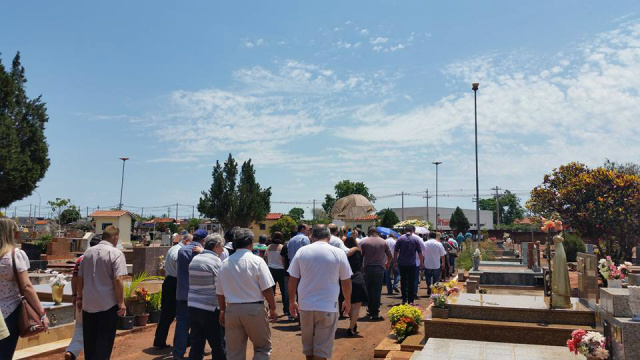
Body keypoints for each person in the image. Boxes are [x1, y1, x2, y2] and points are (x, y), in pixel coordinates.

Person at [288, 225, 352, 360]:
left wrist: (292, 301)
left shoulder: (302, 252)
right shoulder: (338, 252)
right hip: (328, 306)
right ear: (329, 237)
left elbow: (293, 280)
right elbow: (346, 280)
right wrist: (347, 300)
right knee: (321, 350)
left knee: (309, 349)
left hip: (305, 306)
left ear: (311, 237)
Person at [216, 228, 277, 360]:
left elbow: (219, 293)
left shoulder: (224, 263)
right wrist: (272, 307)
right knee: (262, 348)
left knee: (234, 353)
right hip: (254, 309)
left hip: (231, 310)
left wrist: (222, 311)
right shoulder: (257, 261)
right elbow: (267, 288)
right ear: (250, 242)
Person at [0, 218, 49, 359]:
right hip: (9, 312)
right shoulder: (14, 256)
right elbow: (27, 287)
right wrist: (42, 313)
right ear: (11, 234)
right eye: (17, 232)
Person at [77, 225, 127, 360]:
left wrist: (79, 298)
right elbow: (118, 280)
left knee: (90, 344)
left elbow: (79, 278)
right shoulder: (116, 253)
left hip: (88, 305)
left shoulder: (87, 253)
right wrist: (121, 303)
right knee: (104, 344)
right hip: (107, 305)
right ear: (115, 237)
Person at [188, 235, 226, 360]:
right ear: (216, 246)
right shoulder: (216, 262)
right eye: (222, 246)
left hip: (193, 306)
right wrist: (223, 309)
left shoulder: (195, 259)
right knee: (218, 345)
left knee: (197, 344)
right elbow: (220, 288)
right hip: (210, 309)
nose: (223, 249)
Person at [154, 233, 192, 349]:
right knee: (182, 313)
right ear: (186, 241)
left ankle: (160, 340)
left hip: (169, 281)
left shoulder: (173, 249)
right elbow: (180, 268)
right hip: (176, 282)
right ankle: (184, 341)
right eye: (192, 242)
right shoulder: (180, 252)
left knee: (167, 314)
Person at [173, 229, 207, 359]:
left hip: (182, 293)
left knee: (182, 324)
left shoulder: (182, 250)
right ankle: (198, 351)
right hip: (198, 295)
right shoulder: (202, 253)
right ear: (203, 240)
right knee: (199, 326)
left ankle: (178, 353)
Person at [65, 237, 100, 360]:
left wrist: (75, 295)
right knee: (96, 328)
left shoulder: (80, 259)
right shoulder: (99, 258)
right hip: (97, 298)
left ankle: (72, 351)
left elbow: (74, 278)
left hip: (81, 296)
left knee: (80, 325)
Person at [360, 226, 392, 321]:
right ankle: (375, 312)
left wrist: (361, 267)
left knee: (369, 289)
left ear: (369, 232)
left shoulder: (364, 242)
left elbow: (362, 256)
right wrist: (387, 264)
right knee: (377, 290)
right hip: (379, 267)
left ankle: (370, 309)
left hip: (368, 267)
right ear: (377, 232)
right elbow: (390, 255)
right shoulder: (383, 242)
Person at [394, 225, 423, 304]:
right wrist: (421, 262)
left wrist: (395, 261)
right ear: (412, 231)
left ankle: (404, 299)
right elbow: (420, 252)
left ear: (404, 231)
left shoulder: (400, 239)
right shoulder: (415, 239)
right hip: (412, 263)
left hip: (402, 263)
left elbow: (396, 251)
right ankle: (411, 300)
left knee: (403, 281)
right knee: (411, 281)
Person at [344, 235, 366, 336]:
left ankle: (353, 323)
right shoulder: (359, 252)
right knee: (356, 306)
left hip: (345, 279)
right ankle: (351, 327)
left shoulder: (343, 253)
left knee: (348, 305)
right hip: (357, 278)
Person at [266, 232, 289, 318]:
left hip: (271, 270)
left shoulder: (268, 247)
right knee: (284, 291)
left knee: (271, 291)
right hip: (281, 269)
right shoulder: (282, 247)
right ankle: (286, 310)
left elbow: (267, 258)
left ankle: (271, 309)